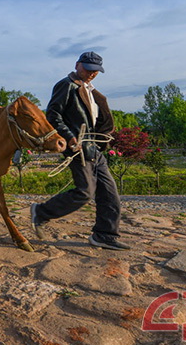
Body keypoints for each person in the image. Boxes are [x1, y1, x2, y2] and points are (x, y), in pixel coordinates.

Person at [30, 52, 130, 250]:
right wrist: (69, 137)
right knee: (84, 192)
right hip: (77, 149)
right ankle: (41, 212)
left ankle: (104, 235)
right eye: (88, 69)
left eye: (96, 71)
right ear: (77, 65)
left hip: (94, 149)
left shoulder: (90, 90)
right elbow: (53, 115)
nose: (92, 73)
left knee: (110, 194)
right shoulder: (66, 85)